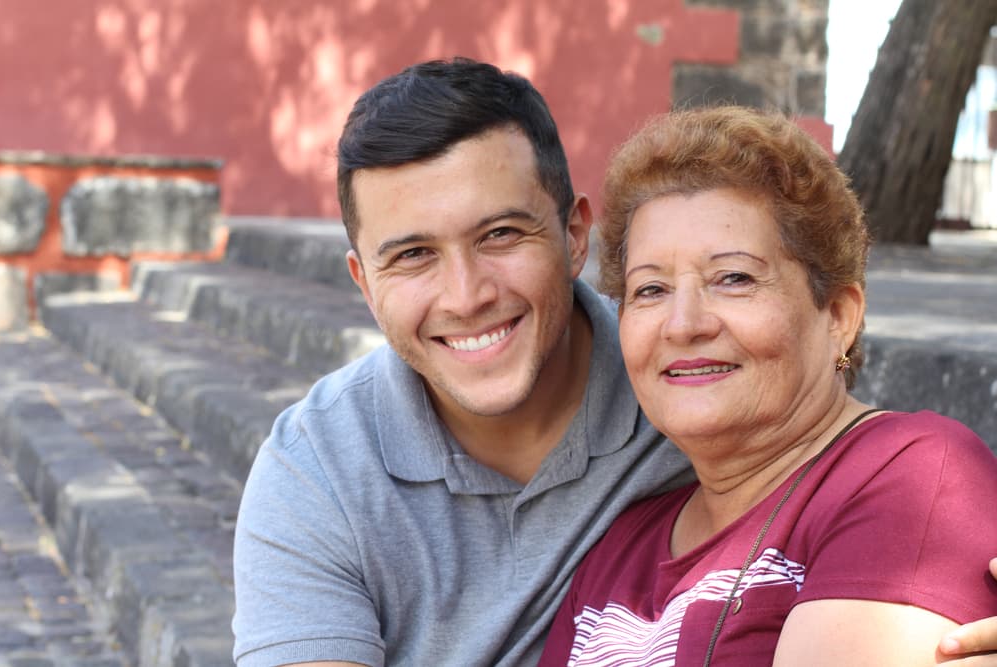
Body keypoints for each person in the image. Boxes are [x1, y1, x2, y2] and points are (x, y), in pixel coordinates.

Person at [231, 59, 997, 667]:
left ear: (573, 237)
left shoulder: (891, 472)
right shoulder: (318, 472)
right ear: (364, 282)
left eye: (500, 234)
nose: (465, 296)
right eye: (652, 289)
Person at [538, 106, 997, 666]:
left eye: (733, 278)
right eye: (651, 290)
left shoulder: (913, 475)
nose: (684, 324)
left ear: (837, 316)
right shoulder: (619, 547)